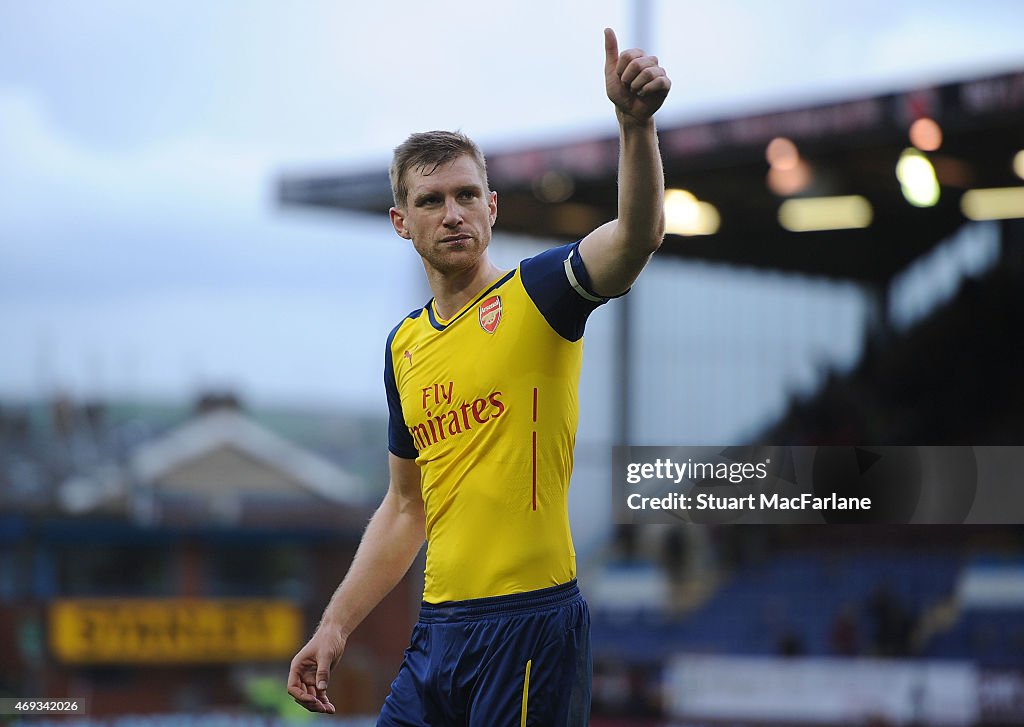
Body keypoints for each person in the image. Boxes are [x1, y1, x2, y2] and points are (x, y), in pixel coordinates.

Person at [287, 27, 670, 725]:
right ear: (402, 222)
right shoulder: (404, 346)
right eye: (432, 200)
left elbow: (636, 236)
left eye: (468, 194)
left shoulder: (541, 293)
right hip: (437, 633)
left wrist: (633, 126)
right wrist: (336, 625)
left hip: (531, 625)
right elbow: (407, 507)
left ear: (492, 208)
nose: (453, 212)